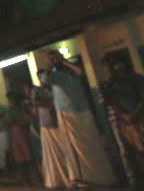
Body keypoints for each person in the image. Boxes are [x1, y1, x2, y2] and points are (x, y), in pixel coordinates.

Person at [41, 49, 117, 185]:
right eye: (51, 59)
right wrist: (49, 65)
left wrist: (64, 61)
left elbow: (81, 71)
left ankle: (98, 176)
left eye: (56, 57)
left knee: (91, 144)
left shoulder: (71, 70)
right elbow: (44, 80)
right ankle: (80, 178)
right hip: (66, 113)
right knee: (74, 148)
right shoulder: (53, 74)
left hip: (83, 111)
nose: (55, 60)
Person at [100, 52, 144, 187]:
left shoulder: (136, 78)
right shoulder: (107, 84)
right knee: (127, 152)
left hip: (139, 118)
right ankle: (135, 182)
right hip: (120, 121)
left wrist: (134, 113)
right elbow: (109, 102)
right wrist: (124, 115)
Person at [34, 73, 72, 189]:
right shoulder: (38, 91)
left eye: (45, 77)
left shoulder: (55, 88)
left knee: (64, 150)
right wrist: (49, 103)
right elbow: (37, 103)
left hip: (58, 123)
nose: (44, 79)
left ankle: (70, 177)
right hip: (46, 125)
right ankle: (55, 179)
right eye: (42, 77)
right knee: (51, 154)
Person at [7, 90, 39, 185]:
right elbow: (10, 121)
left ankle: (33, 178)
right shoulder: (12, 109)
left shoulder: (21, 108)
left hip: (22, 132)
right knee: (21, 156)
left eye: (11, 99)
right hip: (17, 133)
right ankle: (27, 179)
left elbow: (26, 119)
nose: (10, 101)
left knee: (27, 155)